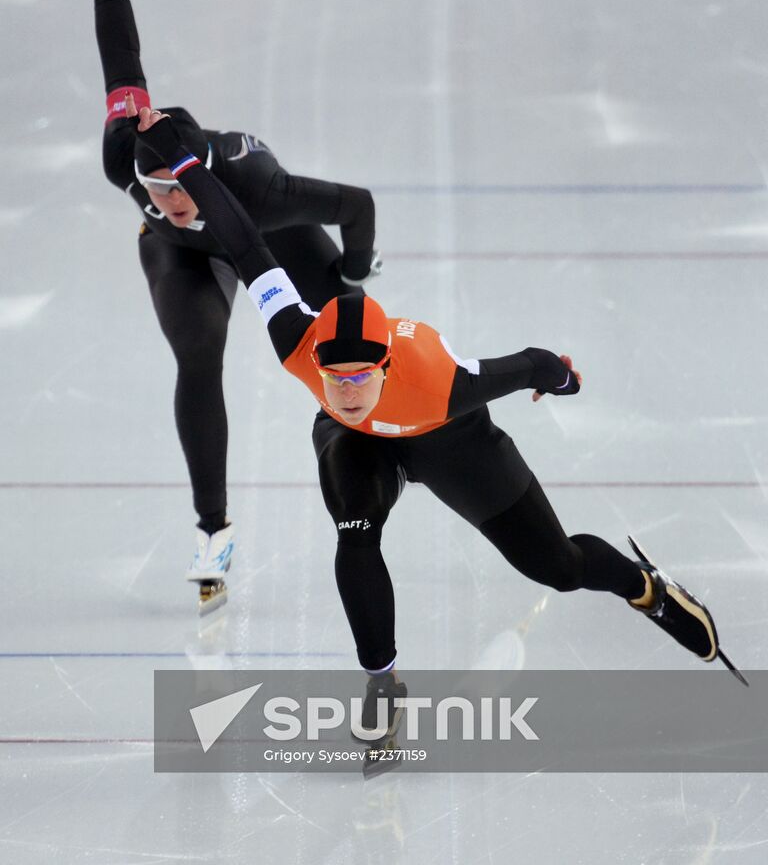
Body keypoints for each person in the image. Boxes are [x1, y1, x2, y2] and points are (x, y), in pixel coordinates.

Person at [126, 100, 735, 719]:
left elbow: (529, 362)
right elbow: (242, 236)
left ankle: (647, 590)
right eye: (333, 378)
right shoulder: (295, 335)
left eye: (359, 378)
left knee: (558, 566)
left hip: (446, 434)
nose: (346, 391)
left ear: (385, 366)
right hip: (357, 443)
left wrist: (563, 379)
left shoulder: (441, 381)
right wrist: (185, 160)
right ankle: (382, 683)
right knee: (356, 531)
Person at [76, 0, 382, 612]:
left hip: (262, 229)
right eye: (157, 191)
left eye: (180, 190)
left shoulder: (257, 184)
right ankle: (213, 529)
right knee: (199, 353)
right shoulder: (126, 154)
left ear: (199, 173)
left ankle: (394, 441)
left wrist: (355, 269)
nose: (173, 201)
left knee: (349, 321)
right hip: (183, 259)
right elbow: (119, 46)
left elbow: (357, 205)